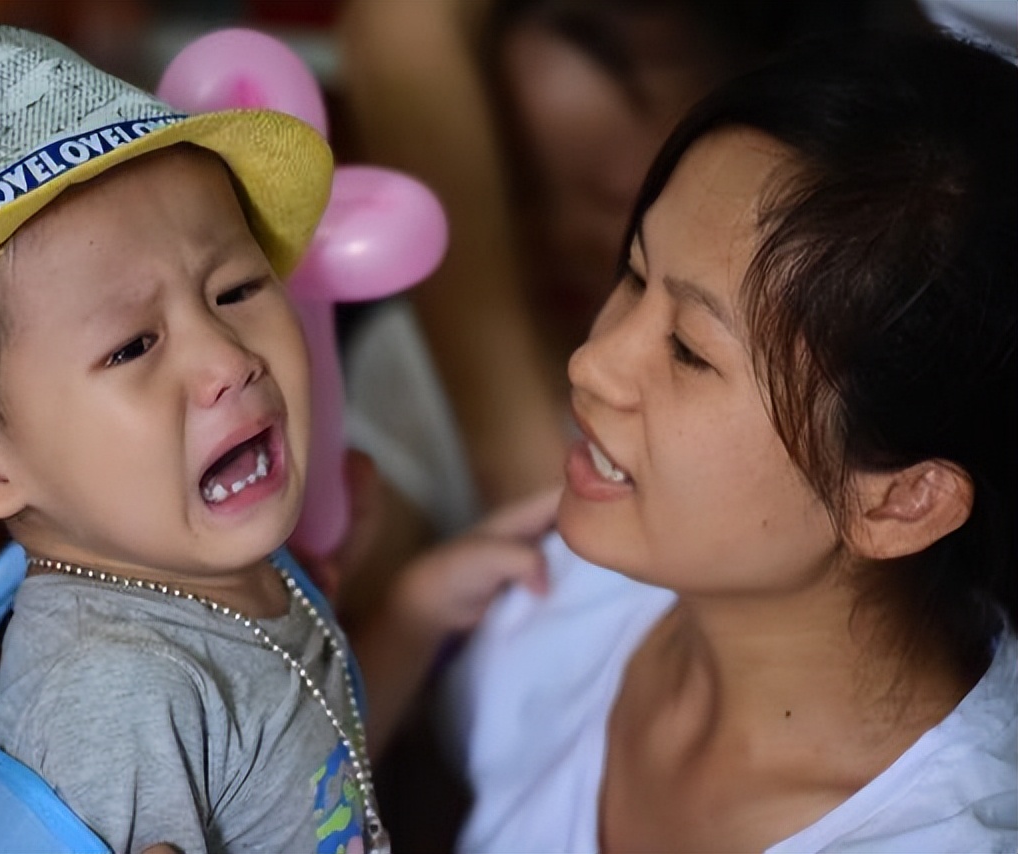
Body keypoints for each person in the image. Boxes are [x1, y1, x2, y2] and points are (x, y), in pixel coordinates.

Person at [0, 21, 553, 853]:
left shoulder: (209, 567)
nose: (227, 358)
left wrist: (411, 615)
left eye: (233, 289)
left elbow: (306, 778)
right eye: (132, 346)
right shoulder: (112, 693)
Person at [439, 29, 1017, 852]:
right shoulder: (580, 578)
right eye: (634, 275)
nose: (591, 363)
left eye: (688, 351)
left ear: (902, 500)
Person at [334, 0, 935, 577]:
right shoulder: (413, 355)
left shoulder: (788, 403)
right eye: (519, 195)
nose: (562, 237)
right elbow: (378, 541)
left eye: (612, 198)